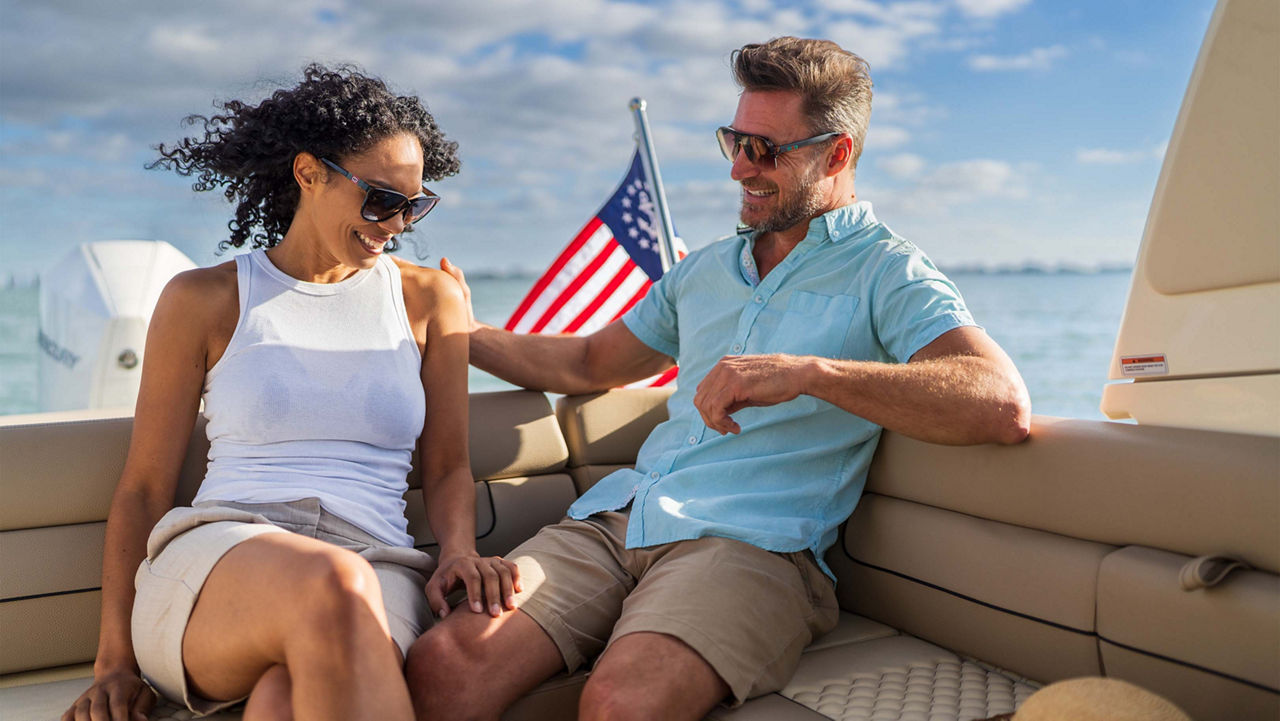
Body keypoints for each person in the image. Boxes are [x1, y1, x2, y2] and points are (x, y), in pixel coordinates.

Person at [409, 36, 1032, 721]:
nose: (739, 169)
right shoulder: (704, 270)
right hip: (620, 520)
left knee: (621, 703)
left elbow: (998, 401)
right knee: (445, 665)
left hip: (750, 547)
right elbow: (587, 363)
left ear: (838, 153)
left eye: (764, 150)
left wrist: (808, 373)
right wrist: (453, 331)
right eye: (733, 141)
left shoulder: (889, 270)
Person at [63, 65, 519, 721]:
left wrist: (458, 551)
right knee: (334, 584)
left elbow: (447, 465)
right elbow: (143, 487)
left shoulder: (429, 300)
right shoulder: (205, 299)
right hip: (221, 556)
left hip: (378, 561)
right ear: (309, 173)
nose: (395, 224)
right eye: (380, 198)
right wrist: (112, 664)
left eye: (413, 205)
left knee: (283, 697)